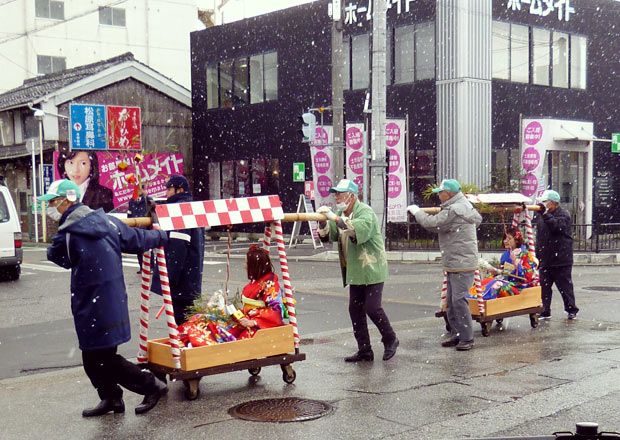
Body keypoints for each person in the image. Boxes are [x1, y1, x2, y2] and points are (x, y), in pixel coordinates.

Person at [39, 178, 169, 417]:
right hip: (112, 301)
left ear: (67, 201)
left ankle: (151, 385)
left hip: (92, 305)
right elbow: (137, 239)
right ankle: (111, 398)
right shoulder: (109, 222)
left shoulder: (68, 234)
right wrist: (161, 237)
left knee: (103, 359)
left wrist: (56, 243)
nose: (50, 208)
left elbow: (58, 257)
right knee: (93, 358)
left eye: (53, 202)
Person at [317, 179, 399, 362]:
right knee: (355, 310)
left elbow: (354, 229)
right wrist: (322, 222)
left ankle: (390, 338)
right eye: (335, 193)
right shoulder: (340, 213)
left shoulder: (365, 212)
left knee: (372, 307)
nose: (336, 196)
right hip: (355, 271)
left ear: (352, 196)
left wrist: (334, 218)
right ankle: (365, 350)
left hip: (372, 268)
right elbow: (329, 235)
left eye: (340, 193)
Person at [408, 179, 482, 351]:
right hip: (457, 261)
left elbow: (431, 223)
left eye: (440, 192)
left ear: (448, 194)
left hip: (461, 262)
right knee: (451, 300)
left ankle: (467, 338)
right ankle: (457, 334)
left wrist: (417, 212)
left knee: (458, 300)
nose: (438, 195)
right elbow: (478, 219)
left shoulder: (455, 209)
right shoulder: (464, 205)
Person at [178, 245, 284, 346]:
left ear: (254, 266)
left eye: (246, 263)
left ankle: (198, 342)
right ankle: (191, 338)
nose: (245, 266)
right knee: (205, 318)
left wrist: (253, 322)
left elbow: (276, 310)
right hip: (245, 318)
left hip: (257, 326)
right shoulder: (257, 281)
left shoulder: (270, 284)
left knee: (217, 328)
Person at [152, 175, 205, 326]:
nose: (166, 193)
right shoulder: (190, 207)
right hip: (190, 274)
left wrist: (169, 278)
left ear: (179, 190)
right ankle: (187, 344)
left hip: (181, 277)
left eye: (169, 189)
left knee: (182, 319)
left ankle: (186, 347)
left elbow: (177, 246)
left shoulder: (179, 210)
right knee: (186, 316)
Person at [534, 189, 579, 320]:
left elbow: (557, 227)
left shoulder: (563, 214)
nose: (543, 204)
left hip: (561, 259)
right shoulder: (542, 217)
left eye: (545, 201)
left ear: (552, 203)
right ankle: (545, 310)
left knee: (565, 286)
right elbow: (540, 237)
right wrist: (538, 256)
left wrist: (545, 215)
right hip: (546, 259)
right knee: (544, 287)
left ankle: (571, 309)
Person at [473, 228, 538, 300]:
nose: (505, 241)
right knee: (484, 282)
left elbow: (527, 277)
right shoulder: (506, 254)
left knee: (497, 285)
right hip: (506, 281)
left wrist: (517, 266)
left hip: (518, 286)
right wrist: (495, 271)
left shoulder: (525, 254)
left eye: (509, 239)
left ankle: (484, 302)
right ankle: (475, 299)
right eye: (505, 239)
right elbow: (501, 272)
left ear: (516, 240)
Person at [127, 185, 154, 273]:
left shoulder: (147, 199)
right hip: (136, 227)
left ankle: (150, 267)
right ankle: (142, 267)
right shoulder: (132, 201)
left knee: (148, 248)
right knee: (139, 248)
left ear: (143, 189)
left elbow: (153, 212)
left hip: (146, 227)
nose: (137, 191)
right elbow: (130, 213)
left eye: (139, 189)